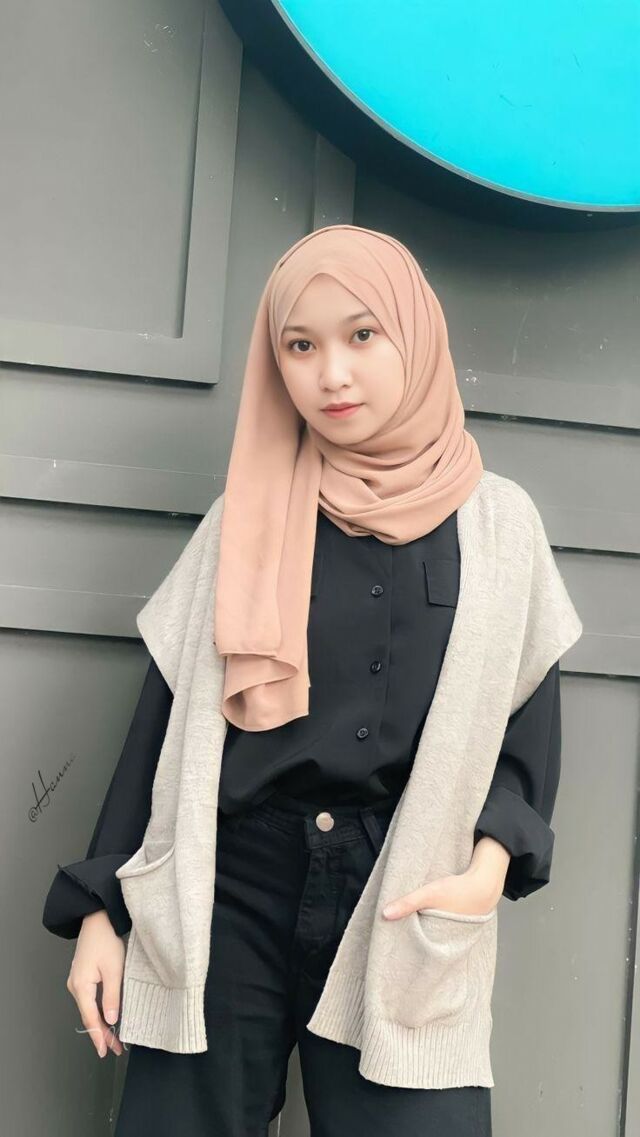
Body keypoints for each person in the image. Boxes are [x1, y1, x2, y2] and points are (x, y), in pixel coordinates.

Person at [43, 224, 581, 1137]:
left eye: (362, 334)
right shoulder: (243, 516)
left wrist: (485, 872)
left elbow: (526, 731)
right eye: (300, 345)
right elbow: (163, 726)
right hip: (231, 887)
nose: (331, 373)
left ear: (416, 335)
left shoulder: (500, 525)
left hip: (404, 887)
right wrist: (103, 912)